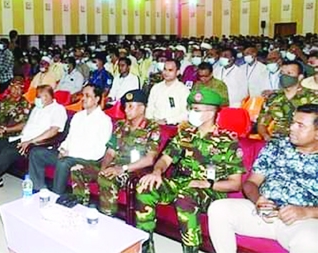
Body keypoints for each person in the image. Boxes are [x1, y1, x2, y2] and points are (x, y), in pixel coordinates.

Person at [136, 87, 245, 253]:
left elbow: (235, 184)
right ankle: (146, 247)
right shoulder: (185, 133)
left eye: (196, 110)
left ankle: (190, 250)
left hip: (210, 190)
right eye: (191, 109)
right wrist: (156, 172)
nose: (191, 113)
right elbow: (165, 159)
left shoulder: (227, 140)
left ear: (210, 112)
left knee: (185, 196)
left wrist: (205, 183)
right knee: (145, 186)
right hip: (181, 182)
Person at [208, 104, 318, 253]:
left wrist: (306, 212)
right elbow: (251, 183)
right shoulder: (277, 146)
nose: (292, 128)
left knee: (310, 241)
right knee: (218, 208)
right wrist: (258, 199)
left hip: (300, 221)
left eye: (300, 126)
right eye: (293, 122)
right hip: (264, 213)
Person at [71, 89, 160, 215]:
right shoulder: (120, 125)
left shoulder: (152, 128)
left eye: (131, 106)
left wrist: (121, 169)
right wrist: (103, 167)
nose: (126, 110)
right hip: (113, 167)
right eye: (125, 106)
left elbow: (149, 159)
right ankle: (80, 210)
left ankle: (107, 216)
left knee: (107, 178)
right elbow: (110, 152)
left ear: (142, 108)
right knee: (77, 169)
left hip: (133, 171)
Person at [28, 84, 112, 194]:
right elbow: (69, 137)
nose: (83, 98)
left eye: (88, 96)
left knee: (64, 162)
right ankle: (39, 189)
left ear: (97, 99)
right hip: (68, 155)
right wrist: (62, 149)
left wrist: (70, 153)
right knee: (36, 153)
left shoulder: (104, 121)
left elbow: (98, 152)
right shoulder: (78, 116)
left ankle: (56, 197)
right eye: (83, 95)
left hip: (87, 160)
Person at [0, 85, 67, 190]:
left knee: (8, 152)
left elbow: (53, 131)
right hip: (21, 138)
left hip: (36, 143)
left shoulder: (58, 109)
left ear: (46, 97)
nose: (36, 99)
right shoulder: (37, 108)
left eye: (38, 96)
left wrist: (31, 141)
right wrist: (5, 129)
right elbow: (26, 124)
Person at [257, 61, 318, 141]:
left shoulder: (312, 97)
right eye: (282, 73)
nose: (284, 76)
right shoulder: (273, 98)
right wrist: (266, 137)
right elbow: (261, 123)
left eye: (289, 73)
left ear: (300, 77)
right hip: (278, 141)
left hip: (305, 143)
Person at [146, 59, 190, 125]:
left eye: (170, 70)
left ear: (178, 72)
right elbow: (150, 108)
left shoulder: (183, 90)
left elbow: (186, 114)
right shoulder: (156, 87)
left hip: (173, 126)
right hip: (154, 125)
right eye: (165, 69)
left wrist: (167, 121)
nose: (166, 72)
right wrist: (150, 121)